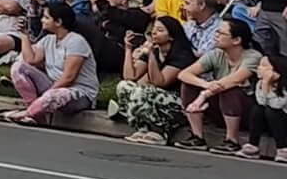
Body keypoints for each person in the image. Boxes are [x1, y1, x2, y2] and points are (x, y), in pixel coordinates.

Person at [0, 0, 100, 126]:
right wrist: (24, 35)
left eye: (46, 18)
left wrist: (46, 96)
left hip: (79, 93)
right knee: (18, 67)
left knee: (52, 96)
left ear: (58, 22)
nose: (42, 20)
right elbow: (31, 60)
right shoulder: (48, 40)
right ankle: (34, 111)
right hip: (53, 87)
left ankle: (24, 114)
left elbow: (68, 78)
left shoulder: (76, 41)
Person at [175, 14, 259, 151]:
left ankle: (232, 140)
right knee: (189, 84)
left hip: (246, 111)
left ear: (236, 40)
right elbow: (184, 74)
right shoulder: (216, 53)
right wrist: (205, 84)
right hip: (219, 108)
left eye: (221, 33)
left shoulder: (253, 57)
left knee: (230, 90)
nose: (216, 35)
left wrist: (203, 95)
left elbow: (234, 80)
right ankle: (197, 137)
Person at [109, 14, 192, 145]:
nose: (154, 33)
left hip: (177, 103)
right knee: (124, 86)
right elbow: (130, 76)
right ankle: (142, 128)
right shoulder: (153, 50)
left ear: (171, 36)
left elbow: (160, 82)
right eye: (153, 30)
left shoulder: (182, 55)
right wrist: (128, 49)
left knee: (145, 91)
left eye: (160, 30)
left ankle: (159, 131)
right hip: (154, 97)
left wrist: (151, 56)